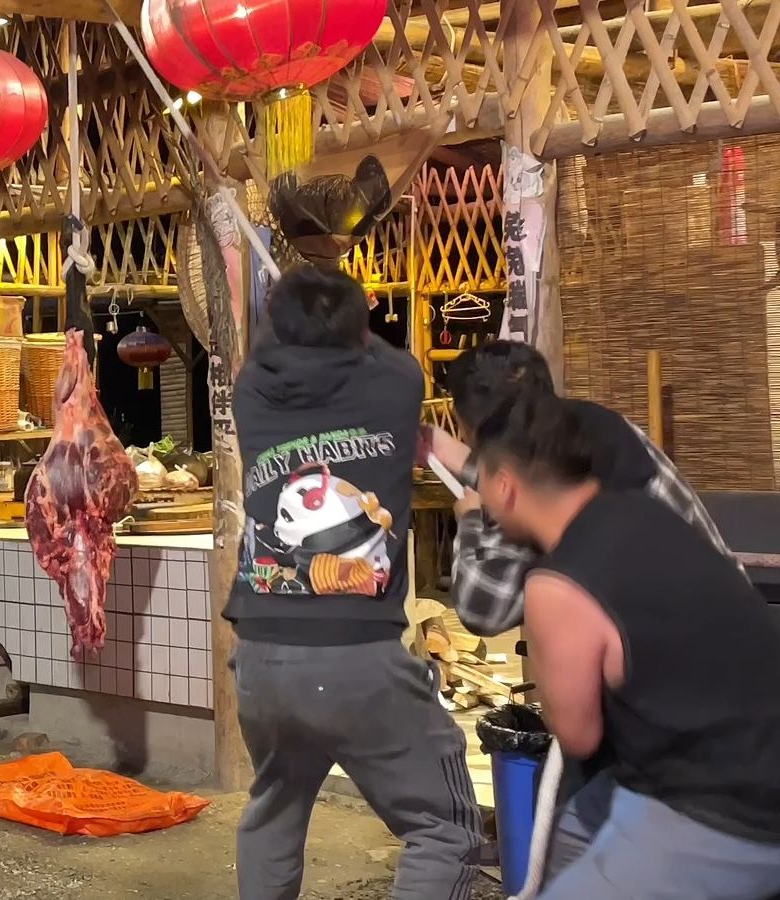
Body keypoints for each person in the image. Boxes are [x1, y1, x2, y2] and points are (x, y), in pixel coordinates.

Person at [423, 340, 742, 878]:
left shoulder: (532, 483)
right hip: (733, 670)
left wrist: (471, 519)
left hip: (672, 723)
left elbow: (484, 608)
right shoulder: (605, 434)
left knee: (578, 845)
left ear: (470, 426)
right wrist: (454, 458)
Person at [227, 266, 480, 900]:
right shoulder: (397, 383)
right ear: (360, 330)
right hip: (356, 653)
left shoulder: (251, 390)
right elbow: (385, 355)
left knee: (274, 810)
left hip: (261, 657)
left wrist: (295, 310)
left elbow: (271, 345)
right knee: (444, 827)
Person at [469, 392, 780, 899]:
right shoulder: (648, 513)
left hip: (727, 812)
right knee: (574, 826)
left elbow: (578, 736)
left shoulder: (559, 584)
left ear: (504, 486)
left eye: (479, 482)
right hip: (727, 758)